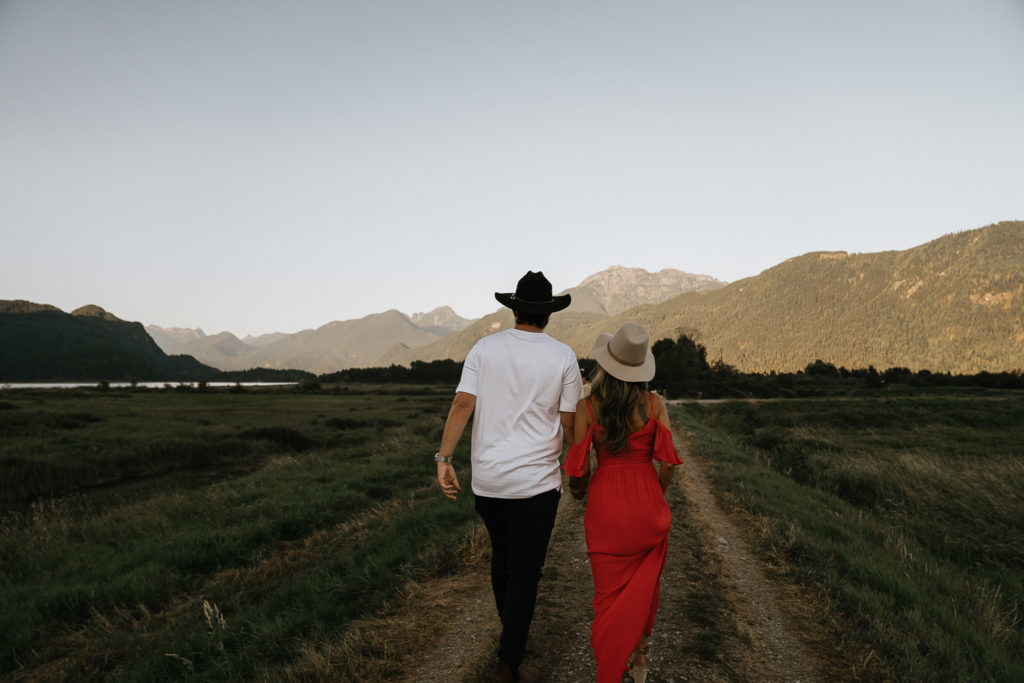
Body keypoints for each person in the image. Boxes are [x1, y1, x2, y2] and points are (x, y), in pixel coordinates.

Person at [435, 271, 584, 683]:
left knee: (502, 559)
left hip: (490, 483)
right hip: (538, 486)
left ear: (515, 310)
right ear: (549, 315)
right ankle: (509, 659)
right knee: (525, 570)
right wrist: (579, 469)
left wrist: (444, 458)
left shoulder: (484, 349)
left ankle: (510, 640)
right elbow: (570, 423)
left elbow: (462, 403)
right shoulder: (564, 357)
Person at [563, 321, 682, 683]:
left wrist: (579, 491)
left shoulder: (587, 407)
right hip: (648, 507)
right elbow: (668, 463)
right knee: (646, 587)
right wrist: (654, 496)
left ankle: (610, 668)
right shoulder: (655, 404)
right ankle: (640, 657)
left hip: (606, 510)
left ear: (606, 363)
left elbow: (580, 469)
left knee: (607, 597)